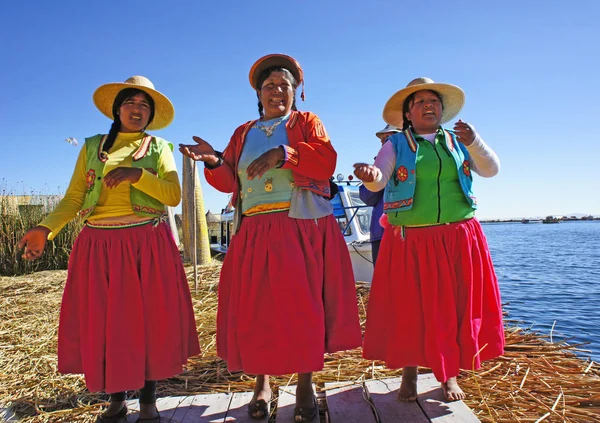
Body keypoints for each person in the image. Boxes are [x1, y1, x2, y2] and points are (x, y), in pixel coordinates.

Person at [179, 54, 362, 422]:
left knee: (303, 308)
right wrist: (214, 161)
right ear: (259, 94)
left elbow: (325, 161)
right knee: (257, 310)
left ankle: (305, 382)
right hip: (256, 229)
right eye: (269, 86)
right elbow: (231, 181)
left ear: (296, 93)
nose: (277, 91)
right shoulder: (243, 132)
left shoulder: (306, 122)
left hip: (299, 226)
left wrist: (285, 152)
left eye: (285, 85)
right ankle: (261, 383)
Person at [18, 76, 201, 422]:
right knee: (108, 324)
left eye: (145, 105)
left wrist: (138, 176)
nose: (137, 109)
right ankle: (116, 402)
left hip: (147, 244)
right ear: (117, 109)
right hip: (98, 246)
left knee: (148, 323)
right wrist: (45, 229)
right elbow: (74, 198)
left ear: (151, 114)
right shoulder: (92, 147)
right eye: (131, 102)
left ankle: (148, 403)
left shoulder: (159, 148)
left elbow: (173, 195)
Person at [354, 77, 504, 402]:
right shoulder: (394, 145)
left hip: (458, 238)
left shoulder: (458, 140)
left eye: (433, 101)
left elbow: (491, 170)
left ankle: (448, 375)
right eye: (420, 101)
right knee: (410, 310)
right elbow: (380, 178)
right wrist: (371, 176)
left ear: (442, 109)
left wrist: (475, 141)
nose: (428, 106)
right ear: (408, 113)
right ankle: (409, 374)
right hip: (411, 242)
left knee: (453, 308)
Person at [358, 124, 401, 265]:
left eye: (388, 138)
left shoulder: (413, 162)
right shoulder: (378, 164)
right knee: (383, 281)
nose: (384, 143)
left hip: (405, 231)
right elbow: (367, 197)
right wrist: (376, 176)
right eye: (382, 140)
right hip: (380, 234)